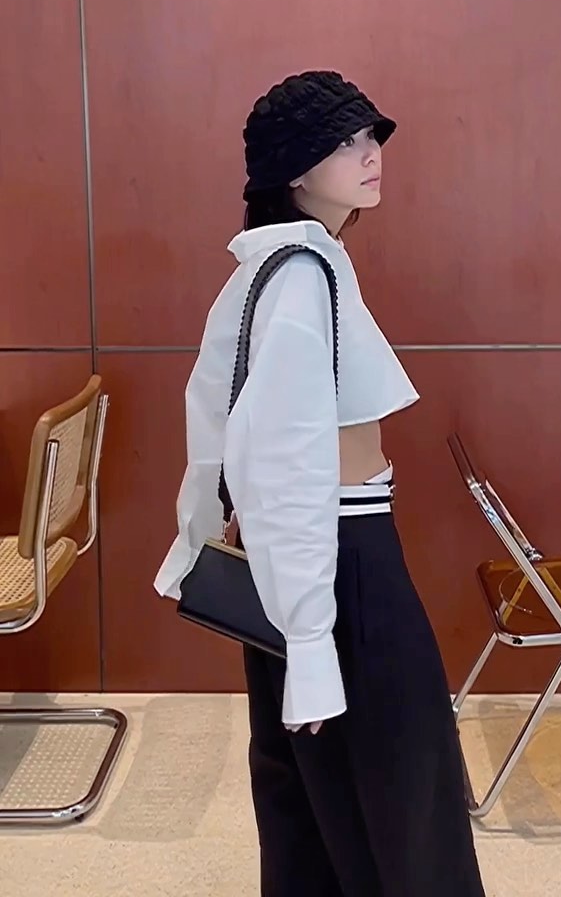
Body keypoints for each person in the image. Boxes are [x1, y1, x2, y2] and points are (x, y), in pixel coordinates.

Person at [155, 70, 485, 897]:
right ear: (295, 168)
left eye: (372, 137)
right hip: (341, 559)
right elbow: (283, 459)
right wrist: (308, 640)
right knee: (401, 799)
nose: (371, 155)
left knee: (315, 797)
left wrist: (197, 534)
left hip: (305, 563)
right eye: (345, 142)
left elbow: (214, 409)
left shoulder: (269, 267)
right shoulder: (305, 271)